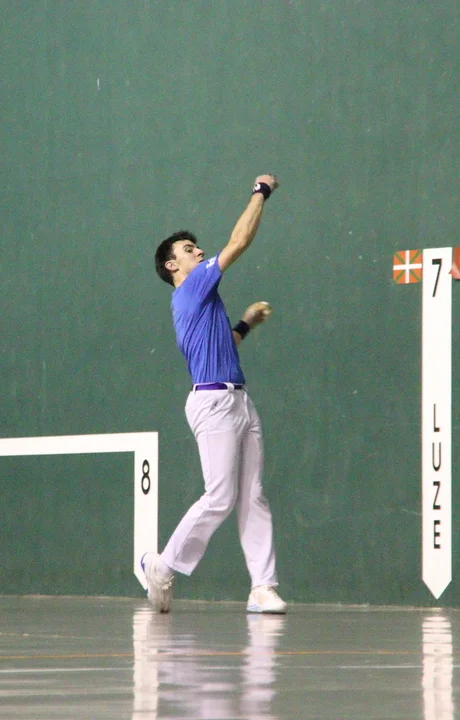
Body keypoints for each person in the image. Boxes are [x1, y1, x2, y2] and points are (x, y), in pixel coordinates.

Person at [144, 174, 286, 614]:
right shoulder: (191, 288)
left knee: (252, 495)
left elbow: (223, 345)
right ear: (173, 266)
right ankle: (162, 566)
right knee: (220, 497)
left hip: (239, 400)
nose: (199, 252)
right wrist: (260, 192)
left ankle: (262, 587)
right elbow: (240, 240)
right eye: (189, 250)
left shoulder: (203, 303)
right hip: (213, 404)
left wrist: (244, 324)